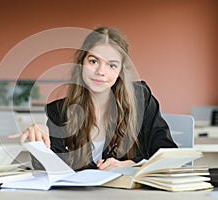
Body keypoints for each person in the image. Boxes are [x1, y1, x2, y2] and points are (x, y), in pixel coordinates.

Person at [10, 26, 177, 171]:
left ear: (120, 71)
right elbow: (50, 170)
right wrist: (40, 144)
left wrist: (133, 165)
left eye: (112, 65)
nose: (101, 72)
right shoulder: (59, 111)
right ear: (81, 63)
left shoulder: (141, 99)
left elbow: (168, 153)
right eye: (93, 61)